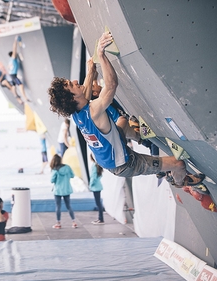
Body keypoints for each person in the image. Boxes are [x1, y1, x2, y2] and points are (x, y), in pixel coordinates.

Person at [48, 31, 204, 188]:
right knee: (179, 164)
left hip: (109, 156)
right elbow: (111, 86)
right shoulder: (93, 110)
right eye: (71, 84)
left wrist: (91, 70)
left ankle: (142, 138)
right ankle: (179, 180)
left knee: (122, 121)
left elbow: (86, 88)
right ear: (72, 98)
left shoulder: (76, 112)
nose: (75, 81)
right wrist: (101, 55)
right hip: (125, 163)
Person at [50, 154, 77, 229]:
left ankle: (58, 223)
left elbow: (52, 180)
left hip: (58, 190)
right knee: (69, 206)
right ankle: (74, 221)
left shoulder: (55, 170)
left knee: (58, 207)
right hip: (66, 189)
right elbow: (72, 175)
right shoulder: (67, 167)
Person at [8, 35, 31, 102]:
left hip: (12, 74)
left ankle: (17, 97)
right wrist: (15, 40)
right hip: (13, 75)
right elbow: (14, 48)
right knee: (20, 85)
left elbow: (8, 67)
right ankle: (25, 97)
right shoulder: (13, 58)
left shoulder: (10, 60)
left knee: (14, 86)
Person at [89, 154, 104, 224]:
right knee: (98, 203)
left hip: (95, 187)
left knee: (98, 203)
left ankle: (101, 219)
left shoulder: (94, 166)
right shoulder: (98, 165)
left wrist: (90, 185)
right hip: (98, 186)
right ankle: (100, 218)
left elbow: (93, 177)